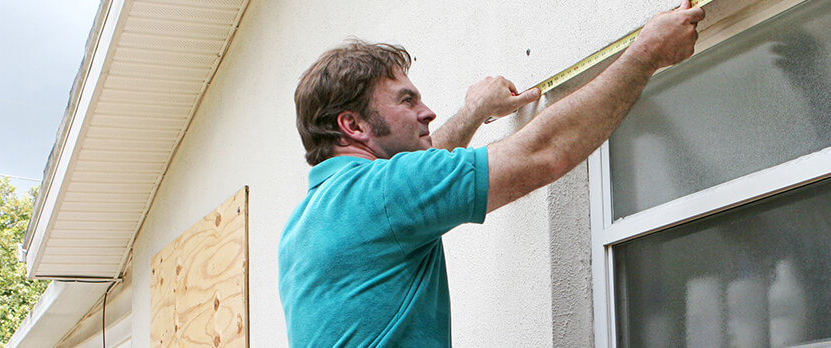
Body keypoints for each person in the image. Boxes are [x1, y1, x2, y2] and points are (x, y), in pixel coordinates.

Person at [278, 1, 705, 346]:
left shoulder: (304, 225)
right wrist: (648, 54)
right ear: (353, 126)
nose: (427, 112)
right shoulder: (385, 194)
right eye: (407, 101)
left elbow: (418, 181)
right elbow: (543, 153)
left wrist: (475, 110)